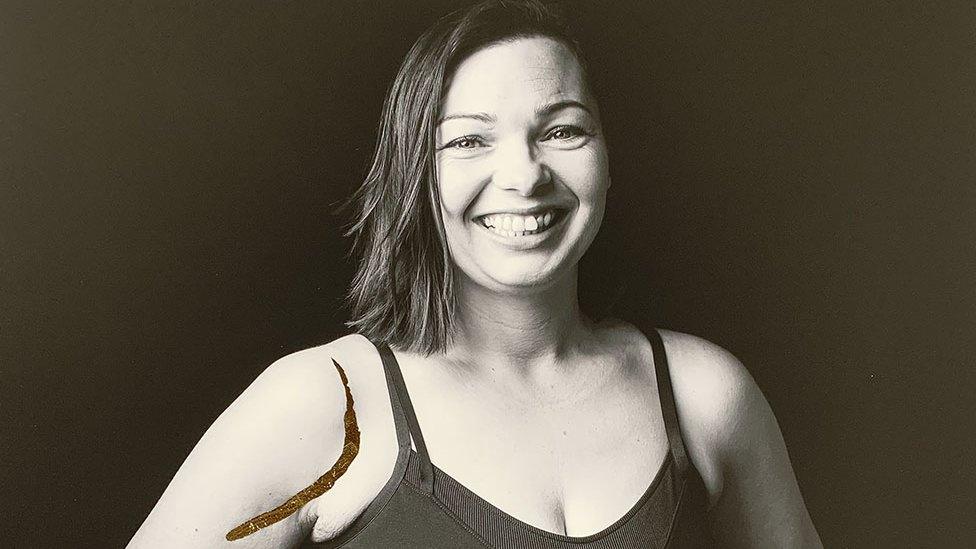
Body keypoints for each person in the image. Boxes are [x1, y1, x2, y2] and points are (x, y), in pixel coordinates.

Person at [130, 1, 822, 547]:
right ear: (417, 178)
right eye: (468, 140)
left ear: (607, 160)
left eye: (562, 129)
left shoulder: (705, 394)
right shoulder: (326, 404)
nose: (523, 175)